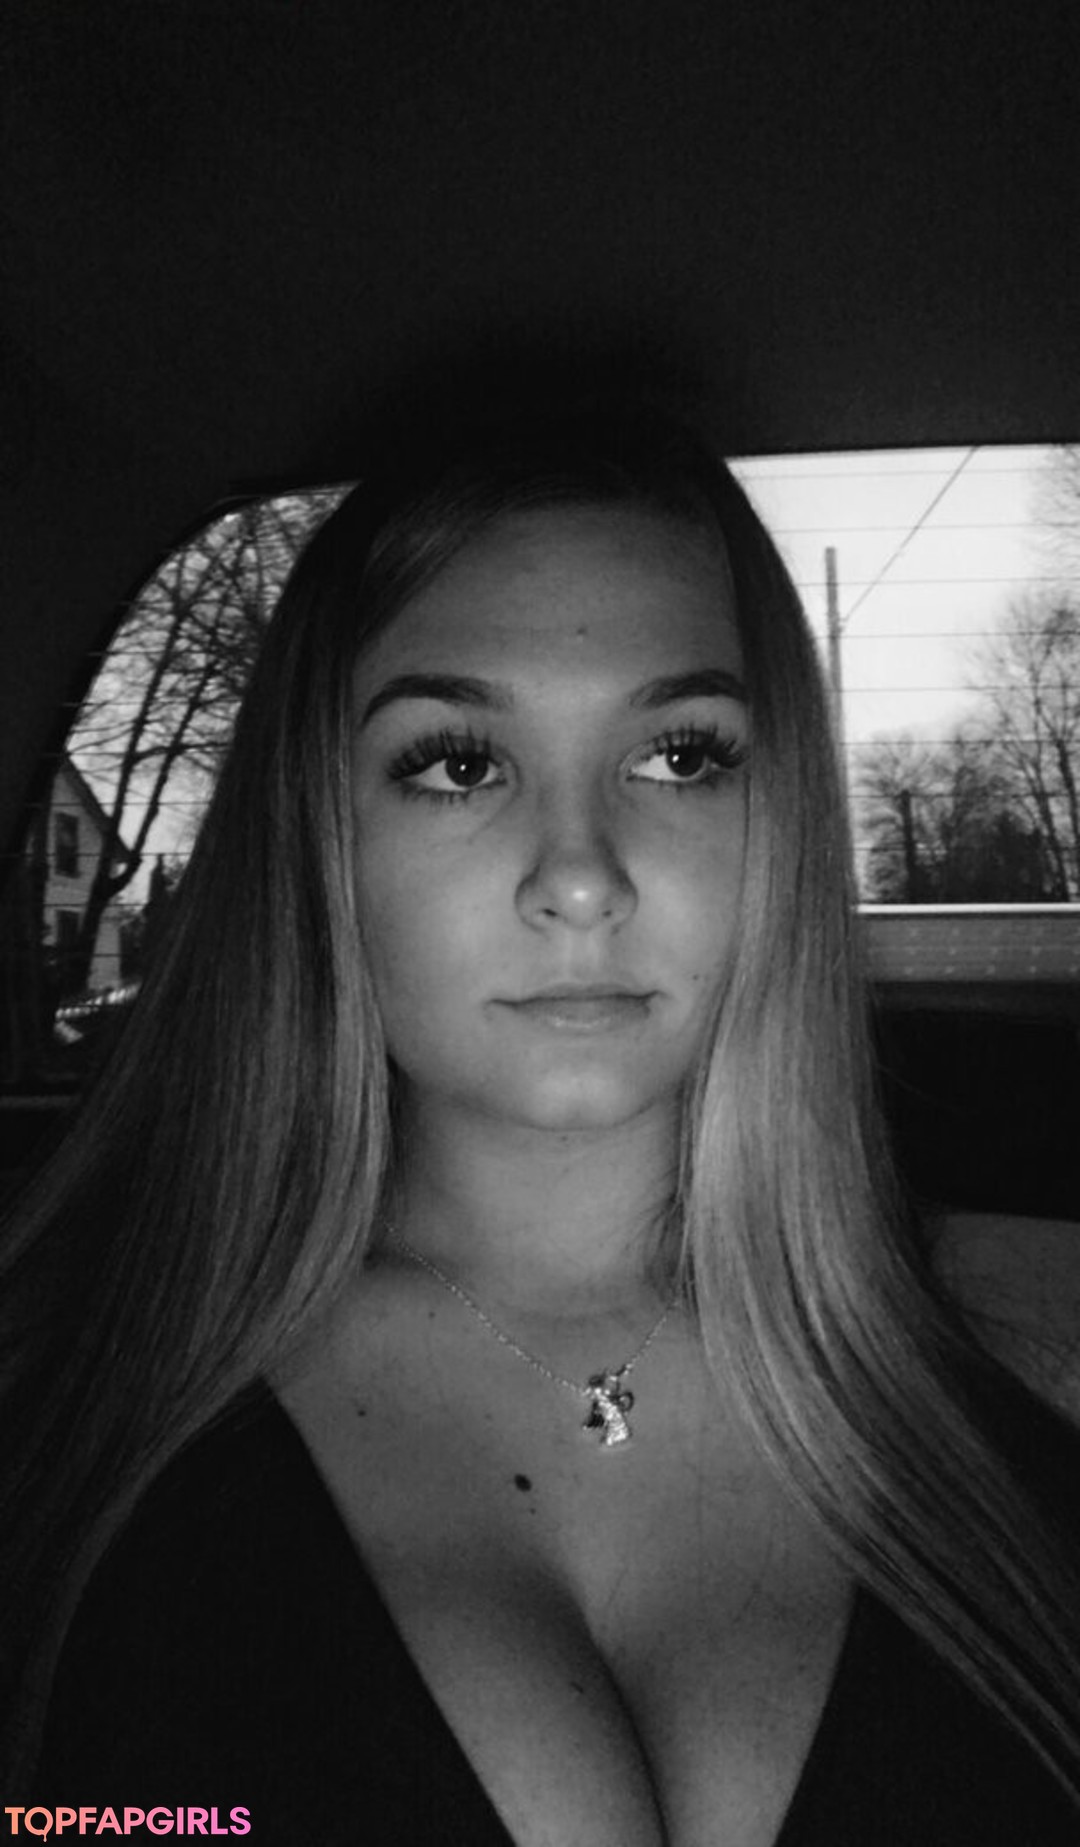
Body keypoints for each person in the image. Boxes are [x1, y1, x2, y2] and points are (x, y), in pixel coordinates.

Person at [2, 396, 1079, 1844]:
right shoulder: (57, 1412)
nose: (581, 879)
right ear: (321, 838)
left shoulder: (1024, 1408)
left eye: (681, 756)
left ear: (782, 827)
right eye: (459, 762)